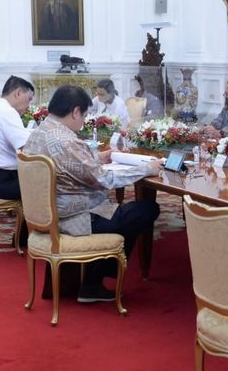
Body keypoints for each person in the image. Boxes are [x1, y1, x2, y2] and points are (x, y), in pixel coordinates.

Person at [22, 85, 162, 302]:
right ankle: (92, 282)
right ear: (75, 111)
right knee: (146, 209)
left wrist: (97, 157)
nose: (83, 121)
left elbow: (65, 164)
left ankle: (92, 278)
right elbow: (103, 180)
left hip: (47, 214)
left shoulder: (42, 131)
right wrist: (146, 169)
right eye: (84, 115)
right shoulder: (66, 140)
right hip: (75, 218)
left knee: (128, 212)